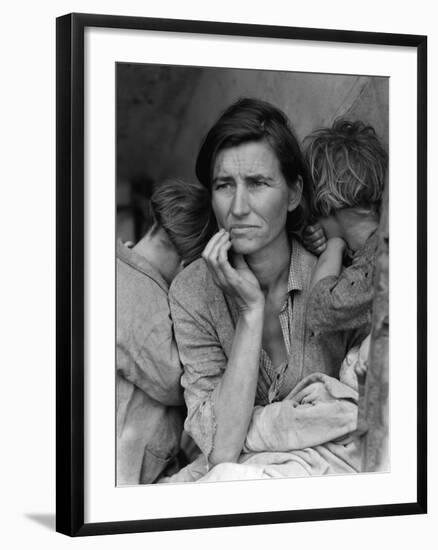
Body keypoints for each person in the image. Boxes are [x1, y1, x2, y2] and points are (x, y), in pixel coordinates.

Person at [168, 99, 365, 479]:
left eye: (258, 184)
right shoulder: (191, 292)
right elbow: (222, 448)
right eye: (224, 185)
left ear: (293, 194)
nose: (238, 207)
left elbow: (357, 410)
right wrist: (250, 312)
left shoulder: (333, 276)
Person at [116, 178, 214, 485]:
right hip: (119, 474)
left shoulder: (118, 266)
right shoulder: (142, 301)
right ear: (188, 265)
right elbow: (178, 381)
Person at [303, 119, 387, 360]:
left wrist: (332, 247)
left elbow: (320, 309)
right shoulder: (371, 251)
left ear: (325, 201)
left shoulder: (380, 258)